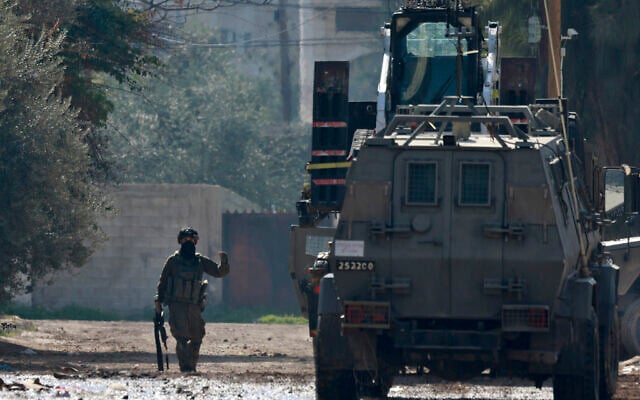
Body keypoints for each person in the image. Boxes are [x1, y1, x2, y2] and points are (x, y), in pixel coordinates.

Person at [154, 227, 230, 372]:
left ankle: (191, 367)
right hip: (177, 305)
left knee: (197, 337)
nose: (188, 242)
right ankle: (185, 368)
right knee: (181, 338)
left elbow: (219, 272)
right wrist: (158, 301)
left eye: (191, 239)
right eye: (185, 239)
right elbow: (162, 282)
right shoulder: (173, 261)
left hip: (194, 306)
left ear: (195, 241)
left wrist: (224, 260)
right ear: (180, 241)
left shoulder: (200, 261)